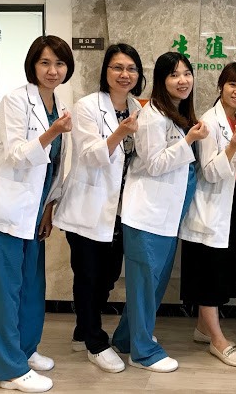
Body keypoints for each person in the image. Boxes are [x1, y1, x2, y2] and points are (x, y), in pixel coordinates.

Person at [0, 35, 73, 393]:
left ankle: (25, 351)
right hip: (3, 214)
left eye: (59, 63)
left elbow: (55, 166)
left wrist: (49, 208)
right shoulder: (15, 100)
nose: (52, 70)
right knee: (3, 295)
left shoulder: (60, 104)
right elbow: (16, 155)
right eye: (45, 62)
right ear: (33, 65)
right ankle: (9, 370)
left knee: (30, 289)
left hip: (33, 214)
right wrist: (52, 132)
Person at [111, 52, 208, 373]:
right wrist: (189, 141)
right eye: (174, 75)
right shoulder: (152, 116)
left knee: (150, 286)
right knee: (144, 287)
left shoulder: (176, 114)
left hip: (166, 216)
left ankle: (126, 339)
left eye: (187, 73)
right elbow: (153, 164)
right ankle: (143, 352)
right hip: (146, 216)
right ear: (161, 80)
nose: (183, 80)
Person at [53, 43, 144, 374]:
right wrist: (120, 132)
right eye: (117, 67)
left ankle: (82, 330)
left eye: (131, 69)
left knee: (107, 277)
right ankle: (95, 342)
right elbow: (91, 155)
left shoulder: (137, 107)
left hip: (120, 210)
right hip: (87, 207)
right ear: (105, 72)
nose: (124, 74)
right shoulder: (87, 106)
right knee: (89, 276)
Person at [179, 62, 236, 368]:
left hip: (228, 203)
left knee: (218, 269)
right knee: (209, 273)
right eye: (232, 84)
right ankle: (217, 340)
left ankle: (202, 328)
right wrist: (233, 147)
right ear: (220, 86)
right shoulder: (210, 121)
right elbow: (210, 172)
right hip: (208, 207)